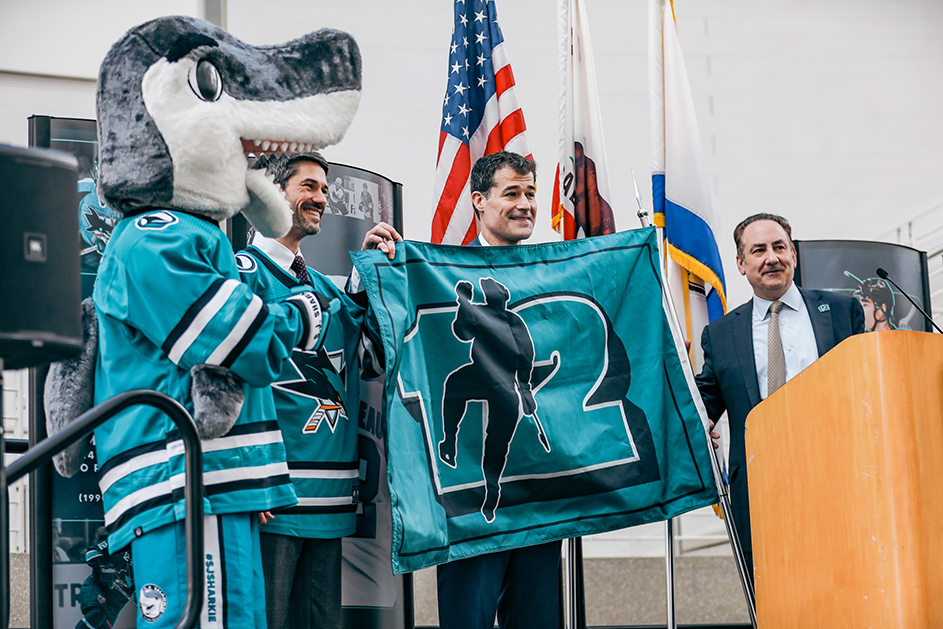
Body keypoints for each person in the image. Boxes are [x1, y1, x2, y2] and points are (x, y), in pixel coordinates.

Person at [238, 152, 401, 629]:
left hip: (329, 501)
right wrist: (250, 474)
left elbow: (367, 360)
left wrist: (370, 270)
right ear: (269, 193)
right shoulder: (241, 275)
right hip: (273, 497)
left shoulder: (327, 291)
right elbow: (227, 379)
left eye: (325, 190)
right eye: (308, 186)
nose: (321, 199)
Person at [694, 212, 864, 581]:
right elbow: (703, 403)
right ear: (741, 264)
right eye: (758, 250)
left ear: (794, 255)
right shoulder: (721, 334)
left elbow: (865, 387)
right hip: (758, 488)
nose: (771, 257)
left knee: (844, 586)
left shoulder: (839, 311)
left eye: (779, 247)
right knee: (771, 592)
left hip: (836, 479)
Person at [436, 151, 562, 629]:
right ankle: (451, 442)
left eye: (531, 193)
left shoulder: (555, 271)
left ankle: (493, 487)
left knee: (536, 618)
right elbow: (457, 337)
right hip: (462, 510)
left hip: (537, 494)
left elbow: (530, 356)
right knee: (468, 616)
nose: (526, 203)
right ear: (479, 202)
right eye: (512, 193)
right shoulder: (445, 275)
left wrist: (532, 385)